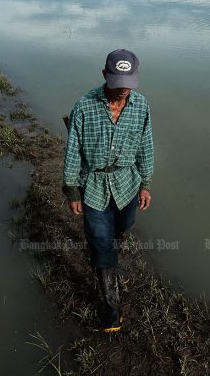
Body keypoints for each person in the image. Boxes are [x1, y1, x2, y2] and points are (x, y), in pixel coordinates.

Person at [62, 48, 154, 333]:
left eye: (129, 83)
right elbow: (73, 150)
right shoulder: (85, 106)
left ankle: (114, 243)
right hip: (94, 187)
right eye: (117, 83)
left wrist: (146, 184)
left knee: (122, 226)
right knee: (102, 246)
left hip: (127, 184)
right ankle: (112, 310)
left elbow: (145, 146)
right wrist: (72, 189)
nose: (124, 90)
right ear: (105, 76)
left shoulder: (141, 106)